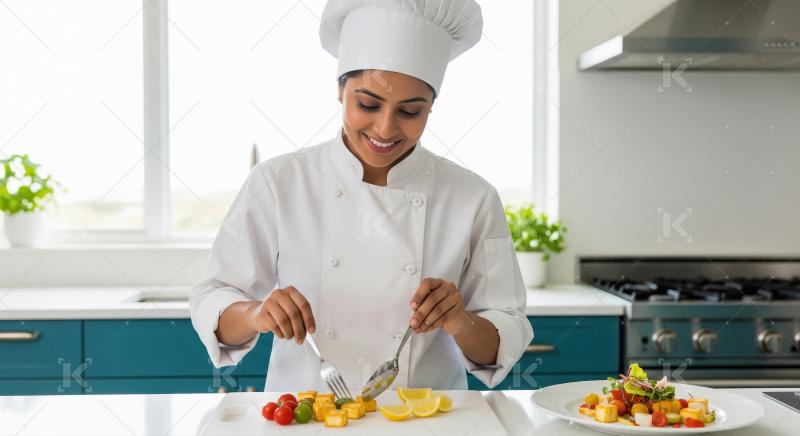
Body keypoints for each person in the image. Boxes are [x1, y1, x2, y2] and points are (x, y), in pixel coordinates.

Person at [190, 0, 533, 393]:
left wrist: (461, 320)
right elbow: (213, 301)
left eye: (410, 111)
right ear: (340, 90)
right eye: (368, 104)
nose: (385, 129)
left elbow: (501, 342)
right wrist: (256, 313)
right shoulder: (279, 181)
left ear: (432, 108)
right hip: (306, 417)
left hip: (429, 422)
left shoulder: (471, 197)